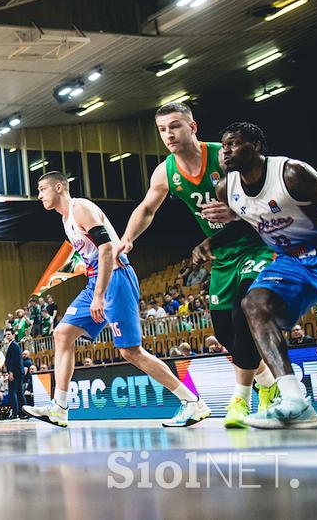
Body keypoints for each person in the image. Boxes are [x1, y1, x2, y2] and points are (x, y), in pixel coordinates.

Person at [116, 102, 277, 428]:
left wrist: (237, 212)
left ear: (193, 127)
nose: (169, 134)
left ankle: (240, 401)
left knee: (245, 312)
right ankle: (268, 383)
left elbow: (266, 192)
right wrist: (128, 238)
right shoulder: (166, 172)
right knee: (226, 335)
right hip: (221, 256)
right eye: (162, 129)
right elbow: (147, 209)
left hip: (256, 244)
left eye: (175, 126)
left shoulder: (225, 156)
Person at [25, 172, 210, 428]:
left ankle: (192, 402)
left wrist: (99, 295)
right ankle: (60, 408)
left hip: (116, 277)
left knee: (130, 351)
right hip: (96, 280)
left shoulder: (80, 207)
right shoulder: (66, 220)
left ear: (59, 187)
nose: (39, 195)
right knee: (62, 334)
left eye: (43, 189)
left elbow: (107, 249)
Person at [191, 122, 317, 429]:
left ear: (255, 145)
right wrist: (211, 242)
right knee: (253, 304)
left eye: (234, 144)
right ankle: (294, 401)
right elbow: (248, 221)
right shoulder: (225, 188)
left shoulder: (291, 173)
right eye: (223, 146)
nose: (225, 151)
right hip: (289, 260)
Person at [2, 331, 24, 419]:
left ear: (13, 335)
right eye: (6, 334)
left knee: (13, 392)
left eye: (9, 334)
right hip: (18, 372)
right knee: (19, 392)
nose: (7, 336)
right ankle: (22, 412)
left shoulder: (14, 345)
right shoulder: (12, 345)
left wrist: (11, 372)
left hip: (15, 372)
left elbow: (14, 360)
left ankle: (15, 413)